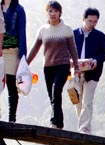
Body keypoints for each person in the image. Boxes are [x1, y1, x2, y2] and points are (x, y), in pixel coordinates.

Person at [26, 1, 80, 129]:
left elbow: (73, 49)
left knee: (56, 91)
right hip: (48, 67)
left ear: (60, 13)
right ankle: (59, 123)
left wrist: (76, 67)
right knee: (52, 96)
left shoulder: (66, 29)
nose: (53, 14)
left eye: (56, 11)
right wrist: (25, 64)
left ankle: (53, 122)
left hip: (62, 65)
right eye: (50, 11)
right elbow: (35, 49)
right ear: (47, 13)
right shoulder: (43, 30)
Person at [72, 7, 105, 134]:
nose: (92, 24)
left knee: (87, 101)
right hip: (75, 72)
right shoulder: (73, 34)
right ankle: (84, 126)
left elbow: (104, 53)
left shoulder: (100, 36)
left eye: (95, 22)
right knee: (77, 101)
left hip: (92, 73)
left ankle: (84, 129)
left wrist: (96, 61)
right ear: (83, 19)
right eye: (90, 21)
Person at [0, 0, 22, 122]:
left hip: (12, 51)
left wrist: (23, 56)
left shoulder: (18, 9)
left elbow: (22, 32)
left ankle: (12, 117)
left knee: (11, 85)